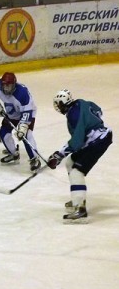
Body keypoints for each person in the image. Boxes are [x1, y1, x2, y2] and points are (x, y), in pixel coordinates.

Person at [48, 89, 113, 223]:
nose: (58, 107)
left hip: (98, 141)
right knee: (70, 162)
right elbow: (98, 110)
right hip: (97, 137)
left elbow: (77, 142)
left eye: (59, 104)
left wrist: (59, 155)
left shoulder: (73, 115)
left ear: (64, 103)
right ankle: (77, 198)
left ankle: (80, 209)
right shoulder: (81, 103)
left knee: (77, 172)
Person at [0, 72, 41, 172]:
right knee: (3, 133)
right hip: (12, 113)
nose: (6, 88)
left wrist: (22, 127)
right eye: (5, 85)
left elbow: (27, 111)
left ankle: (35, 159)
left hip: (27, 112)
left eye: (9, 86)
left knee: (26, 135)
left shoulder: (22, 94)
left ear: (14, 85)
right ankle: (13, 154)